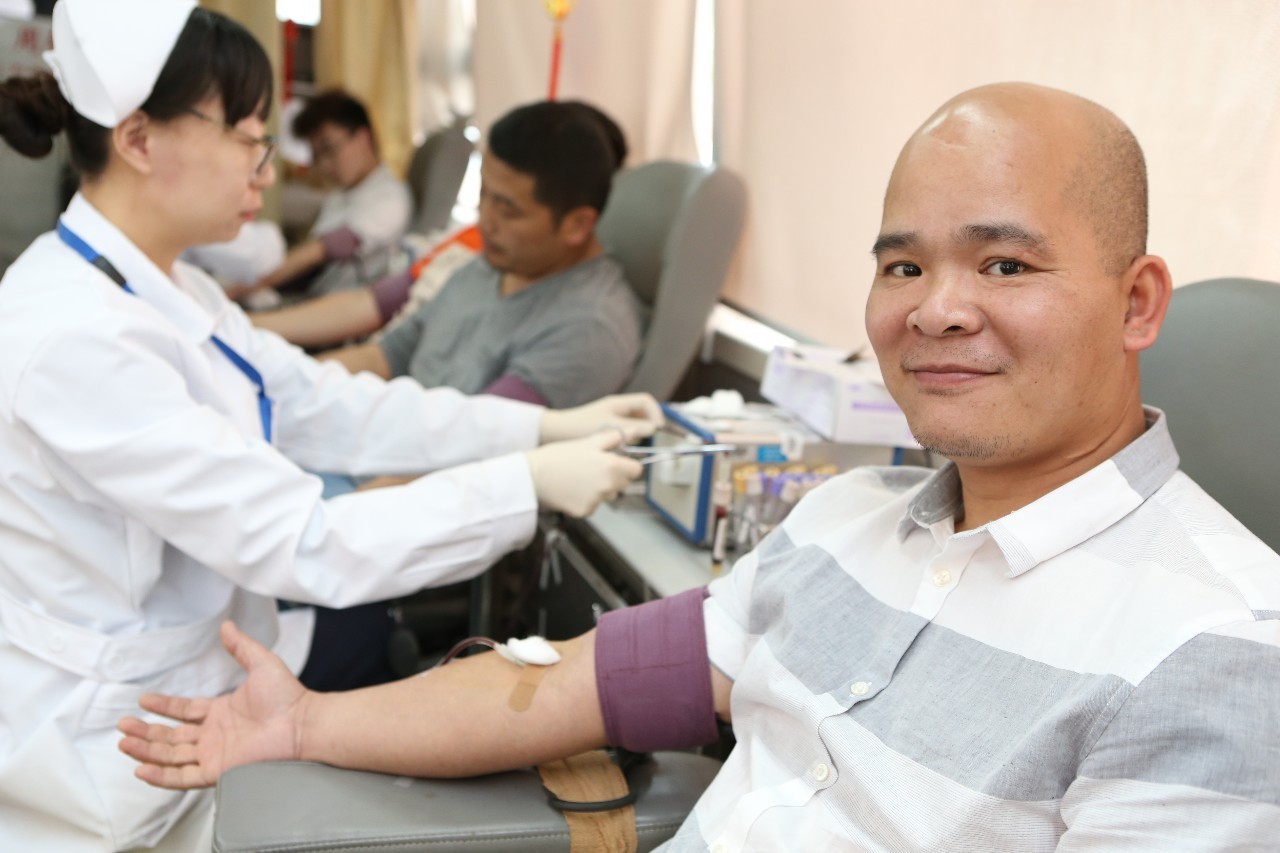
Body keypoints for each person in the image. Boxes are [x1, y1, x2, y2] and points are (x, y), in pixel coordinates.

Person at [121, 83, 1280, 849]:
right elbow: (570, 680)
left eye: (1004, 266)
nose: (934, 310)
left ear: (1136, 304)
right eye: (900, 266)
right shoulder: (843, 522)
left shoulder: (1213, 658)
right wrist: (304, 724)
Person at [0, 2, 659, 850]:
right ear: (138, 139)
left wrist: (534, 430)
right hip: (113, 738)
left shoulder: (170, 288)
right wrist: (523, 485)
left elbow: (324, 403)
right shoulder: (74, 336)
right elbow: (300, 540)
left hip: (199, 683)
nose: (266, 169)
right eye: (249, 137)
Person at [279, 100, 645, 411]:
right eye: (483, 195)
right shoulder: (490, 265)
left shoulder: (587, 329)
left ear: (577, 225)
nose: (485, 222)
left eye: (508, 210)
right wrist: (280, 383)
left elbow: (470, 443)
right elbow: (385, 356)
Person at [229, 89, 413, 301]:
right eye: (316, 156)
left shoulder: (390, 199)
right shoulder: (343, 193)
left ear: (363, 137)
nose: (324, 165)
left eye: (329, 149)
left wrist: (242, 288)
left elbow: (320, 251)